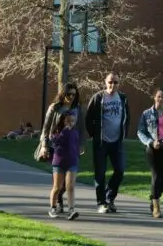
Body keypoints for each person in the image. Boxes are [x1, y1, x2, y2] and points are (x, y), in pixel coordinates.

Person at [85, 72, 130, 214]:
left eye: (116, 82)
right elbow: (88, 118)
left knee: (120, 170)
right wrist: (94, 134)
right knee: (100, 173)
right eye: (110, 82)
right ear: (105, 82)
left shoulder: (123, 98)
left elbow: (127, 117)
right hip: (101, 142)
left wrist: (124, 133)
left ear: (119, 84)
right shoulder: (98, 97)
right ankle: (101, 203)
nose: (113, 85)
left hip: (117, 141)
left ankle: (110, 198)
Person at [38, 83, 85, 214]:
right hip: (56, 147)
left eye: (74, 95)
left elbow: (81, 128)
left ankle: (64, 204)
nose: (71, 97)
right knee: (58, 183)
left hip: (72, 147)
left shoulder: (77, 108)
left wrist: (81, 144)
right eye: (68, 94)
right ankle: (57, 203)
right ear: (63, 94)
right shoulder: (55, 108)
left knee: (68, 183)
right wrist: (44, 145)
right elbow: (46, 128)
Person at [137, 87, 163, 219]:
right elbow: (140, 131)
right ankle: (156, 207)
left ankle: (153, 196)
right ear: (154, 97)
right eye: (159, 96)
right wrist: (150, 142)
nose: (160, 99)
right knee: (155, 176)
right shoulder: (146, 114)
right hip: (153, 148)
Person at [48, 112, 81, 220]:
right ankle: (53, 208)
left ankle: (71, 210)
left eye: (72, 121)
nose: (70, 123)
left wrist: (77, 155)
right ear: (62, 121)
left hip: (72, 162)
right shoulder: (57, 132)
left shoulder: (75, 133)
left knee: (70, 187)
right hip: (59, 163)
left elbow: (76, 146)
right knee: (57, 187)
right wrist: (63, 132)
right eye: (67, 121)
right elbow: (55, 142)